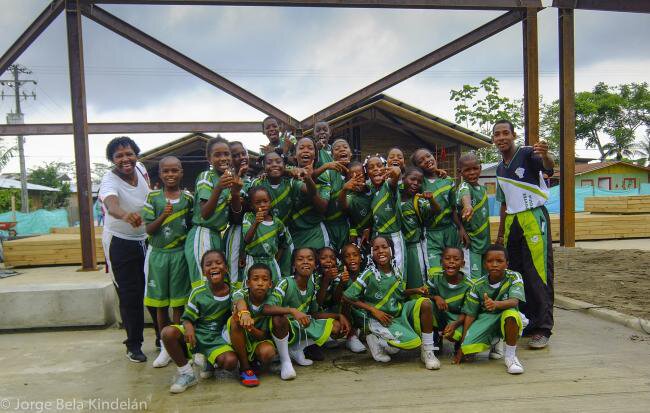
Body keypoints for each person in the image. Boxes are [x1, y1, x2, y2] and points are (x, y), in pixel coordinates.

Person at [493, 119, 555, 349]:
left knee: (538, 272)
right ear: (493, 139)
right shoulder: (500, 168)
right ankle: (528, 322)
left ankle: (543, 328)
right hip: (512, 222)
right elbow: (503, 203)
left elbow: (548, 166)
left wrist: (546, 154)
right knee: (517, 274)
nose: (501, 137)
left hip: (533, 218)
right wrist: (500, 234)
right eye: (497, 134)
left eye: (505, 133)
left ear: (514, 135)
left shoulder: (528, 153)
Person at [343, 236, 440, 370]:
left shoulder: (396, 271)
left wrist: (416, 290)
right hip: (381, 319)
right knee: (412, 343)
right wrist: (373, 310)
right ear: (371, 253)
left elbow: (399, 293)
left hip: (397, 314)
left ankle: (428, 352)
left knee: (426, 303)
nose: (380, 251)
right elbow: (347, 296)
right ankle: (377, 340)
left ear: (391, 250)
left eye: (384, 247)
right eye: (376, 249)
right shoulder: (369, 274)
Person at [99, 136, 152, 363]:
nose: (125, 159)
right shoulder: (109, 180)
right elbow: (111, 205)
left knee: (154, 289)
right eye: (119, 156)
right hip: (120, 243)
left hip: (146, 239)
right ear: (112, 159)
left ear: (136, 155)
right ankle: (134, 345)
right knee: (130, 295)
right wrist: (125, 215)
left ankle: (163, 339)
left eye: (129, 154)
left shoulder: (141, 169)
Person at [160, 250, 238, 393]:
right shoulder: (198, 292)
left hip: (217, 339)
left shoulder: (235, 292)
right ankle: (187, 374)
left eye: (218, 263)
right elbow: (186, 318)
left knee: (231, 362)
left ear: (226, 268)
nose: (214, 266)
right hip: (197, 335)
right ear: (203, 272)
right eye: (208, 264)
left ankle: (210, 360)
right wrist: (189, 327)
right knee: (168, 332)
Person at [142, 156, 193, 368]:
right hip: (159, 256)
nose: (170, 174)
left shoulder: (188, 199)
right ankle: (165, 347)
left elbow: (191, 226)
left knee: (178, 303)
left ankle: (177, 344)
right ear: (160, 174)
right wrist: (163, 215)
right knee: (160, 304)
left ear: (181, 172)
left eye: (174, 170)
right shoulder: (153, 197)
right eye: (166, 171)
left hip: (179, 255)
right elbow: (148, 229)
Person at [263, 247, 351, 370]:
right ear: (294, 264)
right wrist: (292, 311)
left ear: (315, 264)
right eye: (300, 259)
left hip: (302, 324)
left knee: (337, 327)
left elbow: (314, 313)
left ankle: (296, 349)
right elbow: (266, 308)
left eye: (310, 259)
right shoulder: (286, 283)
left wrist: (339, 316)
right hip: (286, 327)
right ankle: (285, 360)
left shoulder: (312, 285)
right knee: (278, 319)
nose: (305, 262)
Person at [455, 244, 527, 375]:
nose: (494, 264)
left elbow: (514, 301)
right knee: (468, 348)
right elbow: (470, 315)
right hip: (487, 318)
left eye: (499, 261)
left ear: (507, 263)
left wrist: (496, 304)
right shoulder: (477, 285)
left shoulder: (514, 276)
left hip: (506, 313)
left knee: (511, 315)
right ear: (484, 264)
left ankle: (511, 357)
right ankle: (495, 338)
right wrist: (462, 346)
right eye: (490, 261)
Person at [185, 136, 243, 289]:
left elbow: (236, 216)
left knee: (217, 284)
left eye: (226, 154)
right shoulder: (206, 177)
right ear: (209, 159)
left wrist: (235, 193)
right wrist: (218, 187)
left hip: (216, 235)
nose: (223, 158)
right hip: (202, 233)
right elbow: (205, 214)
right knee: (203, 285)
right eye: (217, 155)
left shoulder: (231, 179)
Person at [250, 150, 302, 276]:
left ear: (284, 164)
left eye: (278, 161)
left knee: (285, 269)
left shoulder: (290, 181)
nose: (274, 164)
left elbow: (308, 188)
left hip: (284, 234)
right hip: (262, 232)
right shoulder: (258, 183)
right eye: (269, 162)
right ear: (263, 166)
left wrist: (290, 172)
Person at [411, 148, 460, 275]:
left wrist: (461, 229)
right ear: (417, 167)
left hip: (450, 231)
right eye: (421, 161)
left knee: (453, 270)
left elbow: (453, 208)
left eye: (428, 156)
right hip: (431, 234)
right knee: (435, 273)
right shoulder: (418, 184)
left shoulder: (448, 180)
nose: (427, 160)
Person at [230, 263, 277, 387]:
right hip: (237, 336)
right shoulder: (242, 293)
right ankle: (245, 367)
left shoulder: (272, 300)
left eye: (265, 279)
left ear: (270, 284)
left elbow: (263, 335)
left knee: (268, 352)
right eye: (255, 279)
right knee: (235, 319)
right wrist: (244, 313)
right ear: (248, 283)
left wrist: (250, 328)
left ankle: (254, 361)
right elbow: (238, 300)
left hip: (257, 338)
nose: (260, 283)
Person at [426, 247, 474, 353]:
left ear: (463, 264)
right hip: (440, 314)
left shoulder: (469, 285)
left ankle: (459, 342)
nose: (451, 262)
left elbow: (468, 311)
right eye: (447, 258)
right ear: (441, 262)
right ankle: (435, 337)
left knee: (452, 335)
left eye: (456, 259)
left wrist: (455, 323)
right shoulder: (436, 278)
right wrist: (436, 297)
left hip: (458, 319)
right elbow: (425, 294)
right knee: (427, 304)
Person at [398, 167, 439, 290]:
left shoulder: (418, 200)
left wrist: (431, 199)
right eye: (412, 179)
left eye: (419, 181)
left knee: (416, 279)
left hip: (413, 246)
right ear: (403, 178)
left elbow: (436, 210)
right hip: (397, 247)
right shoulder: (394, 195)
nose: (416, 183)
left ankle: (418, 300)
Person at [242, 186, 292, 284]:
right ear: (251, 206)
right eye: (258, 202)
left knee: (272, 286)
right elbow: (246, 240)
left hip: (271, 263)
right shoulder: (249, 217)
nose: (262, 205)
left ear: (270, 202)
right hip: (253, 261)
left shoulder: (277, 223)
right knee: (252, 287)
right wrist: (256, 222)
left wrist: (275, 259)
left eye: (265, 201)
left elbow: (283, 243)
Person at [365, 154, 406, 274]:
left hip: (393, 237)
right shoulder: (370, 189)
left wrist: (396, 172)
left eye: (379, 166)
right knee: (379, 273)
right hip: (376, 237)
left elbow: (395, 178)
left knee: (397, 272)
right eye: (371, 167)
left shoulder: (388, 185)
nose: (376, 169)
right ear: (367, 172)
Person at [289, 138, 331, 250]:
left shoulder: (323, 176)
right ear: (295, 155)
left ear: (315, 155)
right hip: (292, 233)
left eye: (310, 148)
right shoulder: (288, 172)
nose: (306, 150)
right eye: (301, 148)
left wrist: (309, 179)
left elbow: (322, 207)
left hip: (315, 233)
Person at [456, 152, 490, 279]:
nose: (472, 173)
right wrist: (467, 205)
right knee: (472, 280)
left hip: (485, 244)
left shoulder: (483, 189)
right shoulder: (464, 186)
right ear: (460, 172)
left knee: (484, 279)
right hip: (471, 244)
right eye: (467, 170)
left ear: (480, 168)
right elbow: (465, 195)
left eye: (475, 168)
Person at [224, 141, 253, 289]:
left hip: (255, 231)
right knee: (235, 275)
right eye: (236, 155)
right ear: (229, 160)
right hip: (237, 233)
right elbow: (236, 216)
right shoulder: (227, 181)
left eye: (243, 153)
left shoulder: (254, 180)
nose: (241, 157)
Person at [321, 138, 352, 251]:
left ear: (350, 153)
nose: (342, 150)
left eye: (345, 147)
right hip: (328, 226)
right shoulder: (328, 173)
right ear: (332, 155)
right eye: (337, 149)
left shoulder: (357, 172)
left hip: (348, 225)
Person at [339, 243, 367, 353]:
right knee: (344, 299)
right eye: (347, 256)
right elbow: (336, 299)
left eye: (355, 255)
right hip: (349, 314)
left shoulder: (366, 274)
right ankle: (351, 336)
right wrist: (341, 283)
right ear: (343, 261)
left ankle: (361, 331)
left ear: (360, 258)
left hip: (363, 312)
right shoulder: (341, 276)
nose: (352, 258)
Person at [339, 161, 372, 249]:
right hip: (360, 238)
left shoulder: (371, 189)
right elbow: (343, 206)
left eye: (360, 176)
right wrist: (344, 189)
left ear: (365, 176)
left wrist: (369, 228)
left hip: (375, 233)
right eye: (352, 178)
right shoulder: (350, 196)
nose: (357, 180)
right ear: (347, 180)